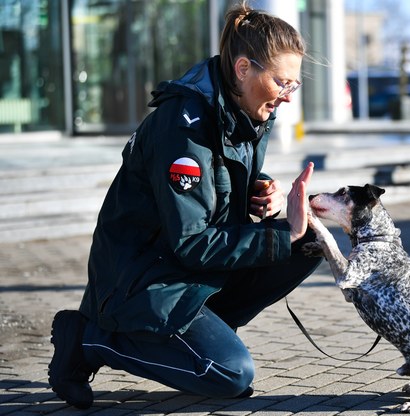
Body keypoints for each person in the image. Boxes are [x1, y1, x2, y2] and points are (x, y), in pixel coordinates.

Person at [48, 2, 321, 409]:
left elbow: (219, 183)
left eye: (293, 86)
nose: (286, 97)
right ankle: (89, 339)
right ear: (244, 69)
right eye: (282, 82)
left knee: (310, 243)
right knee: (230, 374)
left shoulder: (245, 110)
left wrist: (264, 193)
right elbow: (191, 241)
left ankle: (193, 340)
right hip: (143, 279)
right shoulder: (183, 128)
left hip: (187, 269)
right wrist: (282, 232)